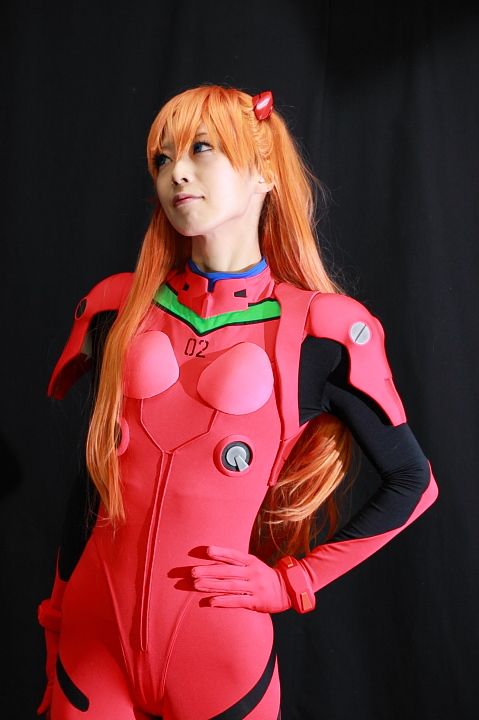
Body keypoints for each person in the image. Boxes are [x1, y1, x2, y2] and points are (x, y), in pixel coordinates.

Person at [38, 85, 438, 720]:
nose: (177, 173)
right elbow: (94, 482)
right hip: (91, 639)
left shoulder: (322, 331)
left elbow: (414, 481)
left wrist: (293, 583)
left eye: (201, 149)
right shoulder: (117, 307)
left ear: (265, 173)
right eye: (162, 158)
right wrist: (56, 617)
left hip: (217, 655)